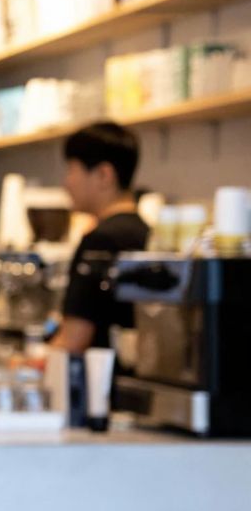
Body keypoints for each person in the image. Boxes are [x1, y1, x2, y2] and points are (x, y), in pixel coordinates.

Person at [51, 122, 150, 353]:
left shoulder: (99, 241)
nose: (66, 183)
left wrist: (25, 365)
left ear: (104, 175)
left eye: (71, 170)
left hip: (96, 383)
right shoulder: (145, 232)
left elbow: (73, 341)